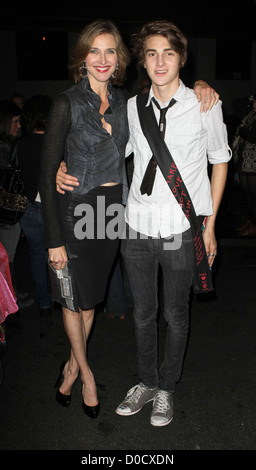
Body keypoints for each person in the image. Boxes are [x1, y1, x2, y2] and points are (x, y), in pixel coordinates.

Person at [55, 21, 221, 423]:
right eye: (151, 53)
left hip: (181, 230)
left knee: (175, 315)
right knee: (142, 313)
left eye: (168, 52)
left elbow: (221, 161)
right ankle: (147, 382)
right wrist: (63, 166)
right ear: (143, 62)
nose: (160, 61)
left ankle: (166, 388)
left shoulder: (205, 104)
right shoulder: (131, 106)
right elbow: (105, 147)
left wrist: (209, 226)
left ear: (182, 57)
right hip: (135, 227)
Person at [39, 19, 130, 419]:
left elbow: (168, 106)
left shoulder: (129, 104)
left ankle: (71, 366)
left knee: (89, 298)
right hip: (76, 212)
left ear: (119, 58)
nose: (103, 59)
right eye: (95, 50)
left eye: (110, 50)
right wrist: (53, 239)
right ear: (83, 57)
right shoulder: (67, 103)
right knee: (72, 299)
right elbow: (46, 173)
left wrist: (201, 87)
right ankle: (88, 375)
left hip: (110, 212)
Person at [17, 95, 52, 315]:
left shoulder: (21, 144)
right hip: (53, 207)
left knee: (37, 256)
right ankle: (65, 300)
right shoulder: (56, 142)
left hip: (29, 207)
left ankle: (44, 302)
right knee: (60, 257)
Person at [0, 100, 33, 309]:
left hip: (6, 210)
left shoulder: (8, 145)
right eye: (15, 121)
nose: (18, 126)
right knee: (7, 255)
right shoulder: (3, 148)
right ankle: (10, 297)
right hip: (6, 211)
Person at [232, 96, 256, 236]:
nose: (254, 104)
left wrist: (243, 132)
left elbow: (252, 135)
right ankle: (250, 221)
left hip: (254, 162)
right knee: (246, 194)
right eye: (254, 101)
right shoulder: (250, 116)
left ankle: (254, 224)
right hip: (245, 159)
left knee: (254, 194)